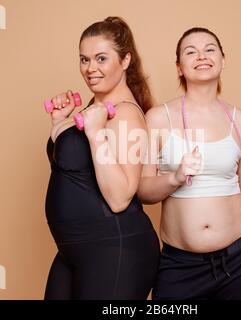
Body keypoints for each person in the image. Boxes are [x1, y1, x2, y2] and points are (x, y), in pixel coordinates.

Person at [137, 27, 241, 300]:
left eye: (210, 49)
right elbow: (143, 191)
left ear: (223, 60)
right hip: (180, 265)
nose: (201, 56)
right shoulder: (158, 118)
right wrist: (175, 177)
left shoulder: (240, 122)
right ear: (179, 67)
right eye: (190, 52)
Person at [44, 16, 160, 300]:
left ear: (125, 60)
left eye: (101, 58)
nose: (90, 68)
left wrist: (96, 135)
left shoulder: (126, 114)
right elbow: (74, 175)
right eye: (84, 59)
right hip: (74, 249)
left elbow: (120, 197)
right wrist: (60, 124)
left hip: (114, 249)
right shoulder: (91, 110)